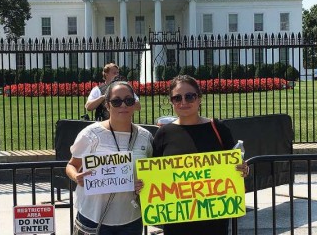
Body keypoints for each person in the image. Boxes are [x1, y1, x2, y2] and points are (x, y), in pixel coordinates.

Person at [152, 75, 250, 235]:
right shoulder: (164, 133)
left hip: (213, 220)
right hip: (177, 220)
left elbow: (236, 166)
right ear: (171, 102)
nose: (183, 102)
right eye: (177, 98)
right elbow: (154, 175)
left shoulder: (218, 128)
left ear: (199, 99)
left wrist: (243, 170)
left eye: (189, 96)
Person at [67, 81, 153, 235]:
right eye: (116, 101)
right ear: (107, 105)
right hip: (93, 218)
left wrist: (145, 184)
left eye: (128, 100)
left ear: (134, 104)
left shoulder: (145, 137)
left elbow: (153, 174)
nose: (123, 106)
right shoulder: (91, 134)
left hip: (131, 219)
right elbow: (71, 165)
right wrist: (76, 176)